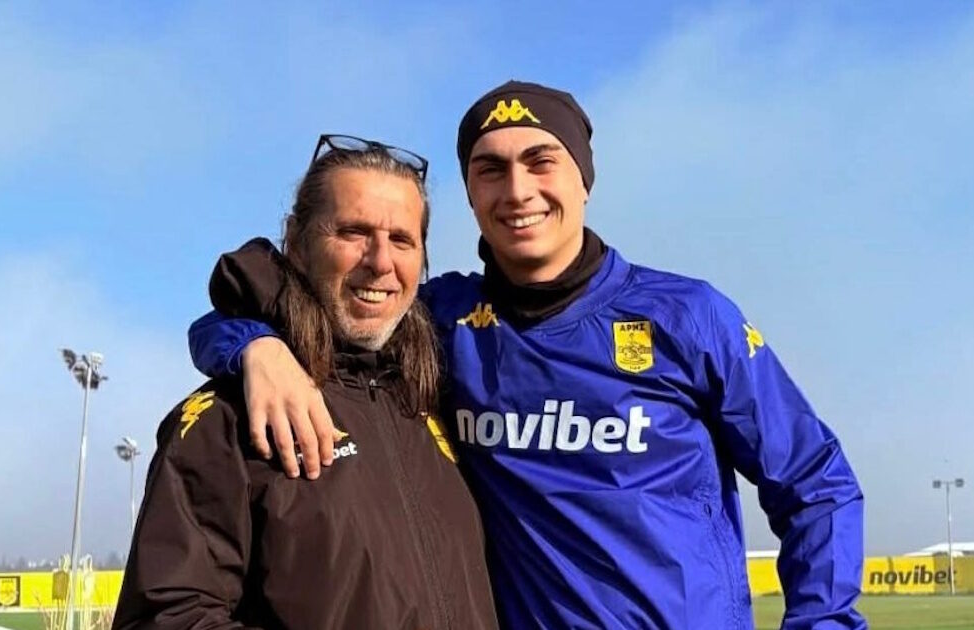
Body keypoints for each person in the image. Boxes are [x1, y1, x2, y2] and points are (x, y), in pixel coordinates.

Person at [190, 82, 867, 629]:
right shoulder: (441, 320)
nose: (517, 191)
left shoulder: (690, 316)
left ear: (584, 180)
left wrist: (825, 621)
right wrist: (254, 347)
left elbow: (815, 481)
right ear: (470, 196)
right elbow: (278, 294)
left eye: (541, 162)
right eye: (490, 170)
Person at [113, 135, 498, 630]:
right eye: (353, 232)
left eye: (402, 240)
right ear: (297, 243)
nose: (381, 261)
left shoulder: (435, 398)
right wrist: (255, 345)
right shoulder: (228, 419)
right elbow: (167, 616)